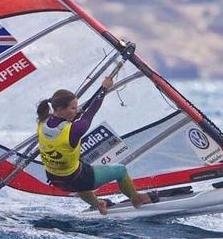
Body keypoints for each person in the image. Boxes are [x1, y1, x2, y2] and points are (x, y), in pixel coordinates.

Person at [37, 75, 154, 214]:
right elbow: (90, 112)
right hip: (77, 178)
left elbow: (73, 116)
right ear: (61, 109)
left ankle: (99, 204)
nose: (76, 110)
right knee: (120, 170)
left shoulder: (43, 121)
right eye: (73, 108)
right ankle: (136, 199)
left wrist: (76, 112)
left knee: (81, 175)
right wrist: (104, 88)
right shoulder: (75, 130)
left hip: (54, 179)